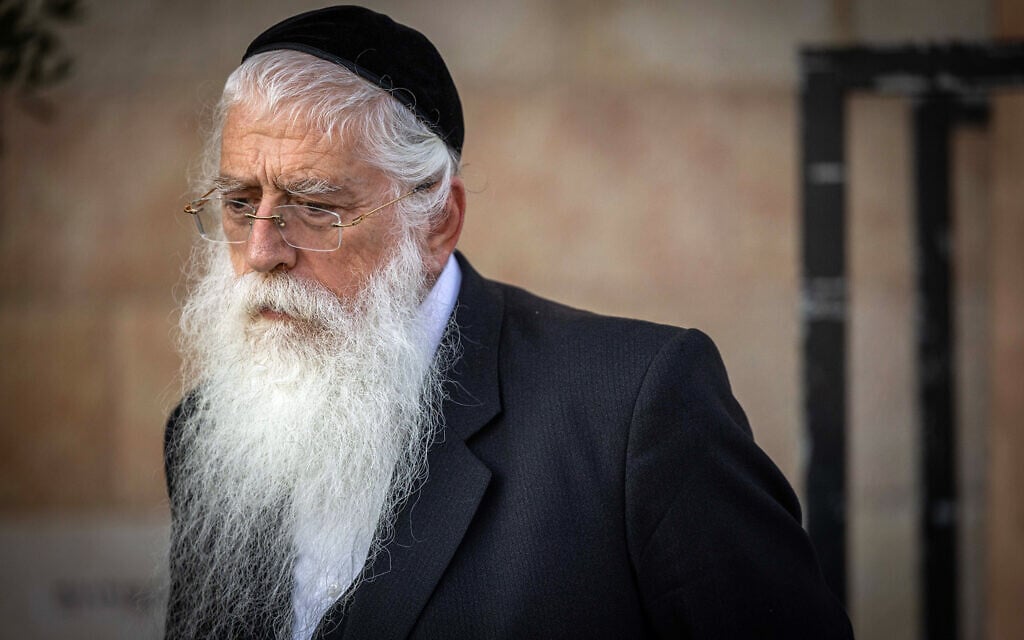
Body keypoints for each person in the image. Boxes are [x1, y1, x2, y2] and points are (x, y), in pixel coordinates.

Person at [165, 5, 853, 639]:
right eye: (238, 201)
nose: (261, 251)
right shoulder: (202, 435)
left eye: (315, 206)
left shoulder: (635, 409)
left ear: (436, 222)